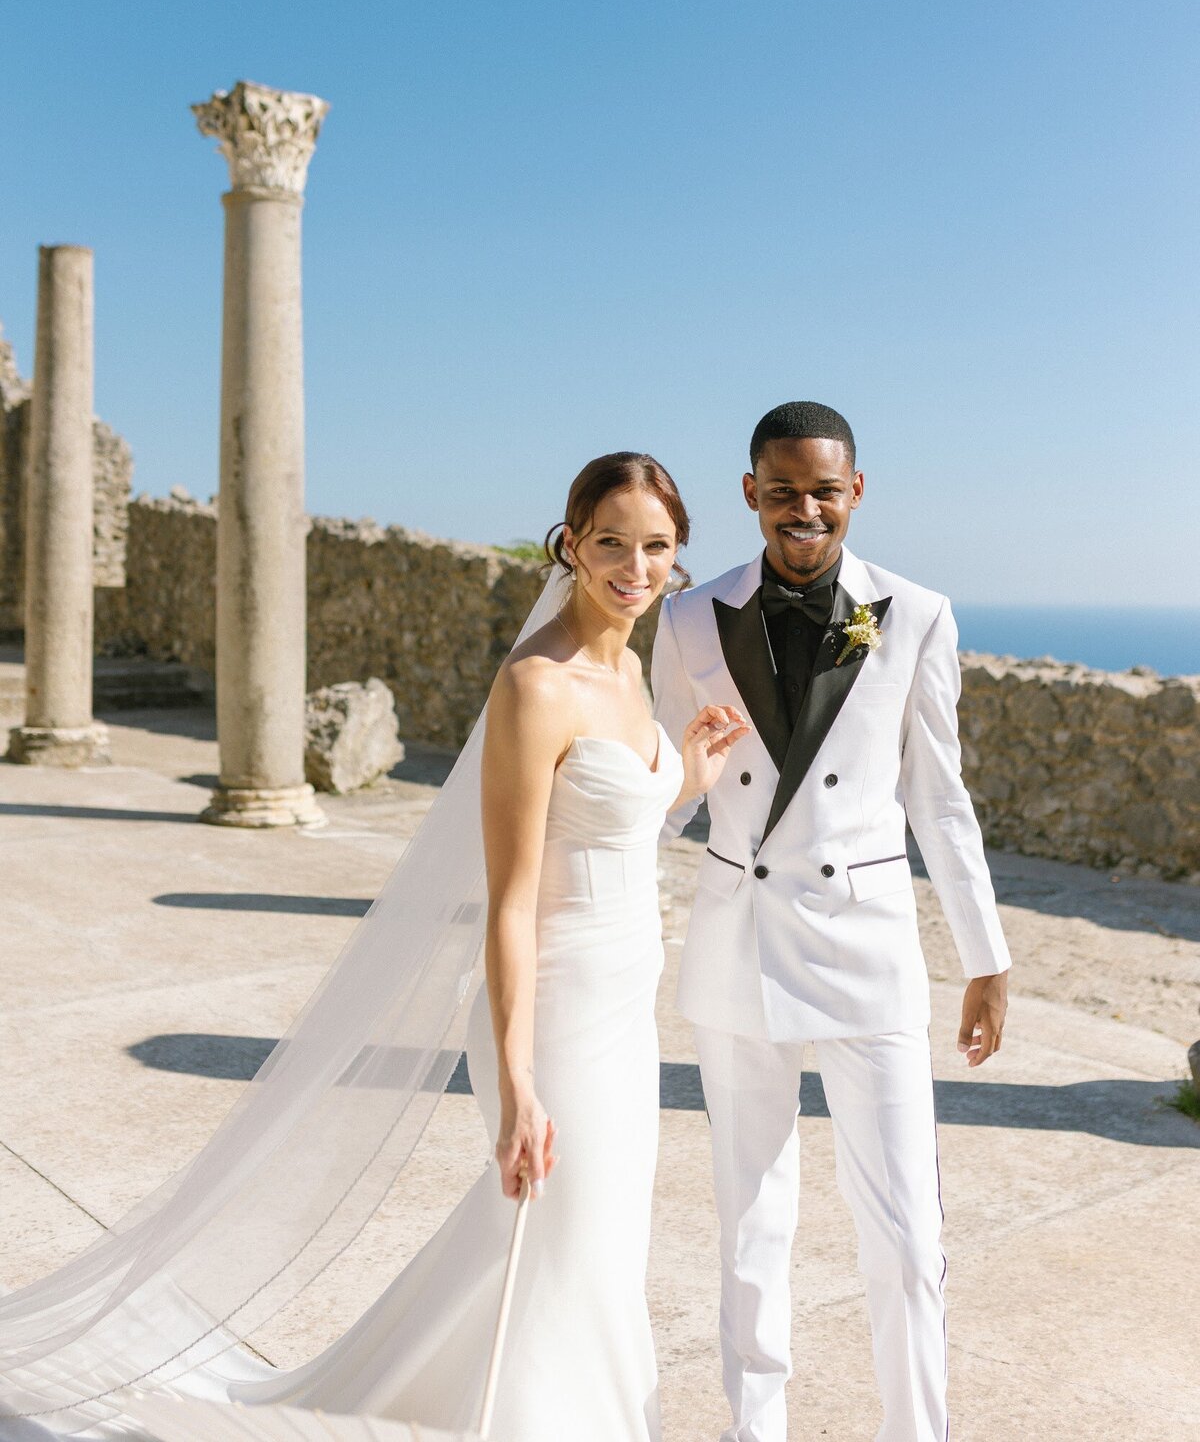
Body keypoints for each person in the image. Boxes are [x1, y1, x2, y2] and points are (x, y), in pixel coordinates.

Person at [0, 453, 748, 1442]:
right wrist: (519, 1084)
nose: (636, 568)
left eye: (657, 547)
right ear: (571, 545)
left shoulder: (627, 672)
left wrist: (682, 777)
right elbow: (511, 900)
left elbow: (604, 826)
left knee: (594, 1249)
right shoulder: (538, 684)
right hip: (553, 1014)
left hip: (625, 1012)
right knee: (564, 1237)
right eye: (612, 543)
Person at [651, 402, 1011, 1442]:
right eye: (781, 490)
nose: (802, 509)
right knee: (750, 1219)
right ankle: (753, 1428)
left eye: (823, 490)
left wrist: (985, 956)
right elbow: (672, 783)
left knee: (906, 1229)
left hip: (868, 946)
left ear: (855, 492)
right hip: (740, 939)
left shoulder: (917, 614)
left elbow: (939, 797)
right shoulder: (688, 619)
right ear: (750, 492)